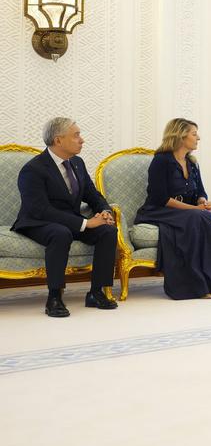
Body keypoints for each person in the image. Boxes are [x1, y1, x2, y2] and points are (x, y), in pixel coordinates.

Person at [12, 117, 118, 317]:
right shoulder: (33, 169)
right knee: (60, 233)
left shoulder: (77, 163)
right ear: (58, 140)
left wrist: (105, 211)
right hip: (37, 221)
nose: (82, 140)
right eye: (76, 135)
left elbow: (92, 195)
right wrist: (86, 223)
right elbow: (40, 209)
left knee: (108, 231)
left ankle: (96, 292)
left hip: (69, 220)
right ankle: (54, 297)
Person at [134, 118, 211, 300]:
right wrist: (194, 209)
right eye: (194, 134)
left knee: (207, 218)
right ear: (180, 136)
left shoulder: (192, 163)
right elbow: (160, 198)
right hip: (158, 210)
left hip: (186, 212)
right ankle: (196, 286)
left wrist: (202, 202)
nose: (198, 138)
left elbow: (201, 191)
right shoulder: (161, 161)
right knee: (199, 217)